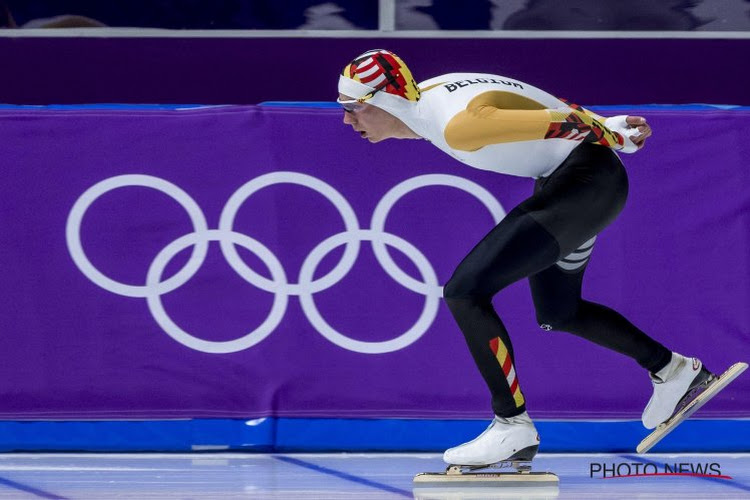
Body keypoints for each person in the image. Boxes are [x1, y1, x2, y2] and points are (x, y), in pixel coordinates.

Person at [337, 49, 716, 467]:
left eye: (354, 109)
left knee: (465, 291)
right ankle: (676, 372)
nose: (347, 120)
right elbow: (541, 103)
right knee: (559, 310)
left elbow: (558, 120)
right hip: (577, 183)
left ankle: (511, 426)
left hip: (584, 186)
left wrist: (610, 133)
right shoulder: (434, 94)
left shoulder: (457, 125)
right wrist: (606, 124)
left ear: (385, 101)